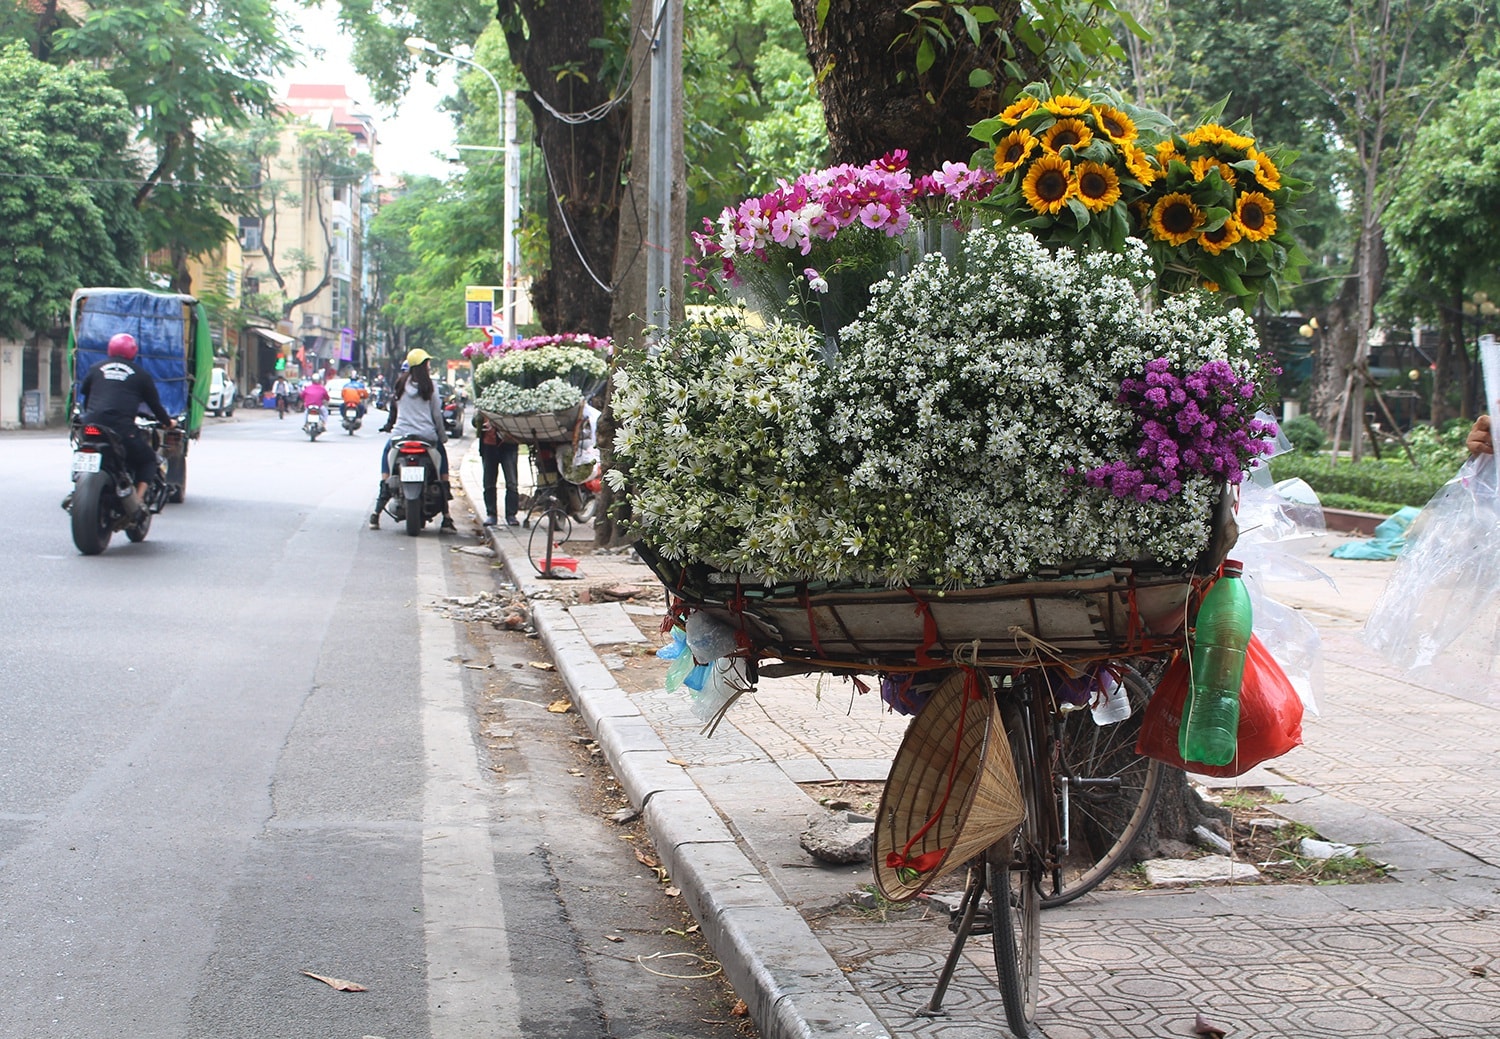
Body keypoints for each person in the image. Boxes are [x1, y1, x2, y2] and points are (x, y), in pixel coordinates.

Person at [76, 332, 175, 518]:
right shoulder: (141, 375)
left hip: (90, 426)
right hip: (120, 430)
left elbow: (86, 396)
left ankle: (78, 482)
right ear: (133, 352)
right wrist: (169, 422)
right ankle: (136, 503)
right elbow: (155, 406)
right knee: (148, 459)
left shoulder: (95, 368)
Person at [371, 348, 453, 531]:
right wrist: (442, 436)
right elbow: (436, 415)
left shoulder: (400, 384)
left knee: (386, 455)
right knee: (442, 463)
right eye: (427, 363)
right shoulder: (430, 386)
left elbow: (394, 409)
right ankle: (447, 517)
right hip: (427, 436)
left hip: (400, 436)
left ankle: (376, 512)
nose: (429, 365)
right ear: (423, 365)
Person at [473, 411, 520, 526]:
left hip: (509, 444)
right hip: (489, 445)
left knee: (512, 481)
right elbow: (475, 421)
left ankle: (511, 514)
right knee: (489, 482)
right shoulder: (484, 405)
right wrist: (481, 419)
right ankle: (491, 514)